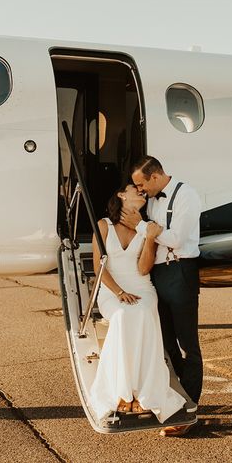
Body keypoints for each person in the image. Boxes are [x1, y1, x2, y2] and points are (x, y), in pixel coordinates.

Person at [88, 183, 187, 426]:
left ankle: (144, 393)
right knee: (122, 316)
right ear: (120, 194)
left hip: (142, 287)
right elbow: (98, 267)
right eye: (135, 188)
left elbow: (144, 269)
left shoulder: (146, 228)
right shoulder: (103, 226)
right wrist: (119, 292)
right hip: (111, 289)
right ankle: (122, 391)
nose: (141, 191)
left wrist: (150, 237)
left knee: (143, 313)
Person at [124, 155, 202, 437]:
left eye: (141, 184)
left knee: (186, 345)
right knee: (166, 344)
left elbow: (175, 239)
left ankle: (190, 411)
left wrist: (143, 227)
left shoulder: (187, 195)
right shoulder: (153, 200)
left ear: (155, 177)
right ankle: (178, 401)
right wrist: (151, 230)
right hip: (157, 275)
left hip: (180, 271)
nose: (140, 190)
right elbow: (157, 237)